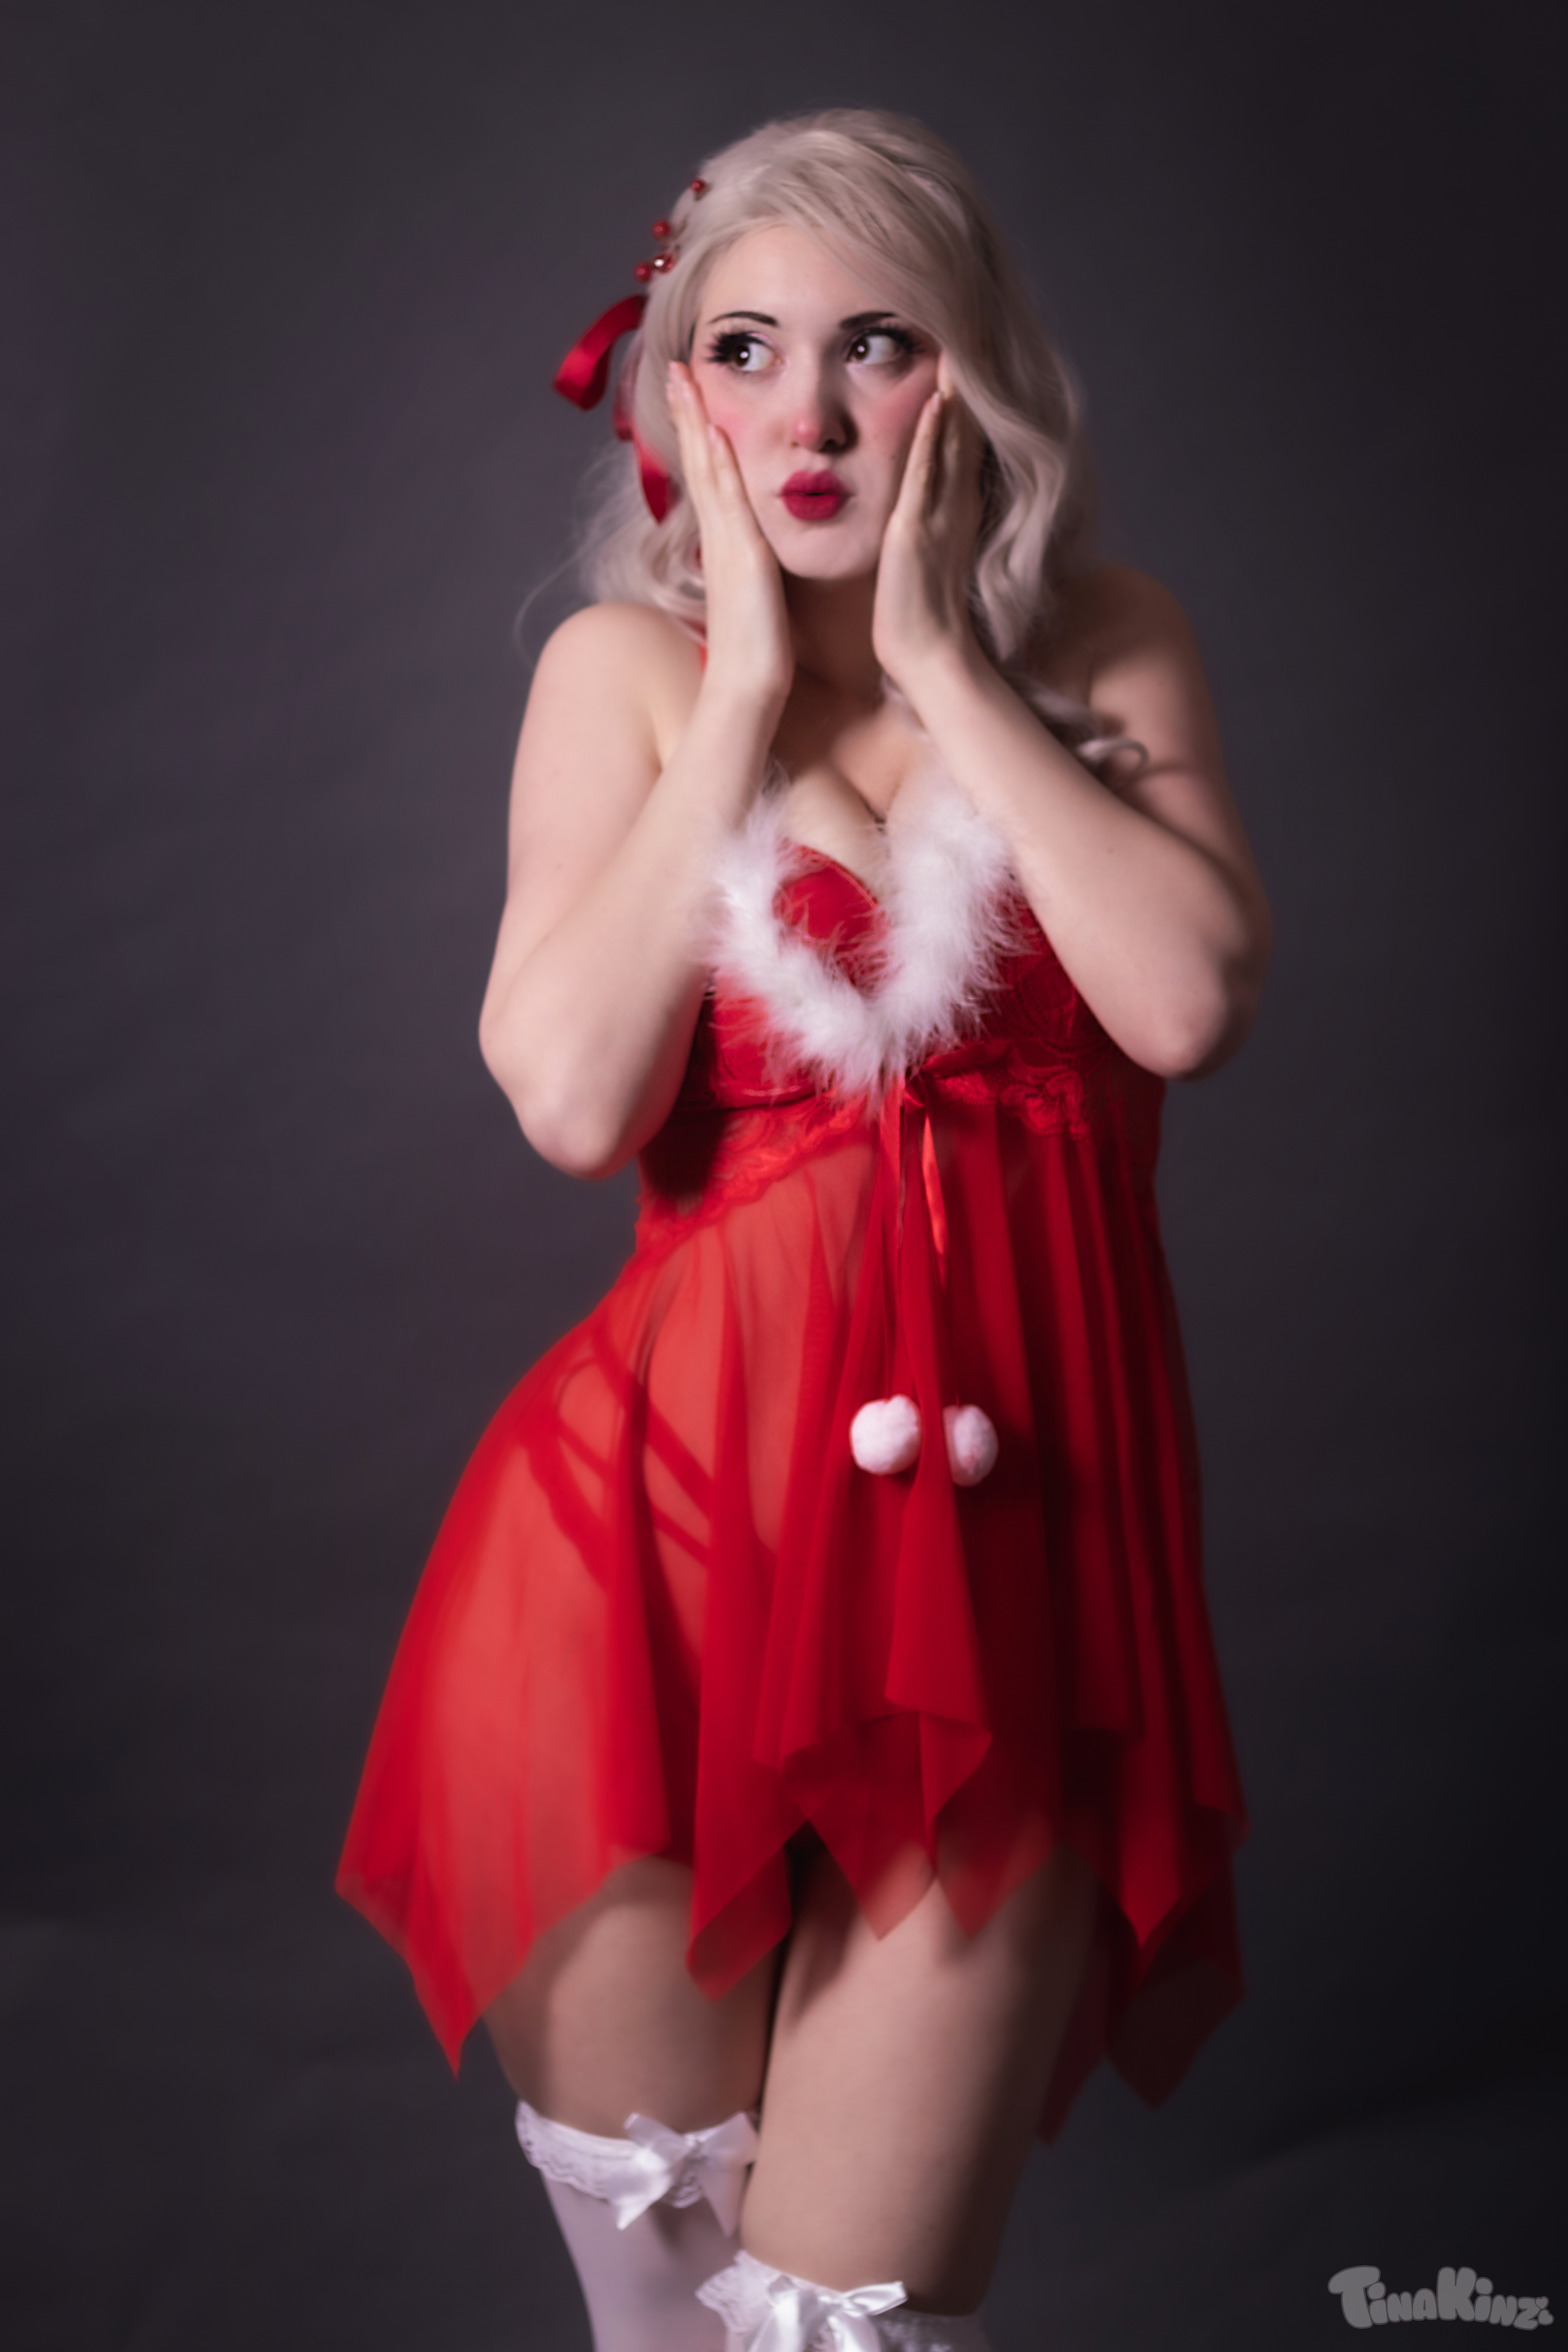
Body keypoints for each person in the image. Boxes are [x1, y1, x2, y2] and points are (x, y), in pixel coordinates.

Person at [337, 109, 1271, 2352]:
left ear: (974, 375)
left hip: (1005, 1610)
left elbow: (1182, 1001)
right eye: (748, 350)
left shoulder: (1111, 648)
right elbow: (574, 1098)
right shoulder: (624, 677)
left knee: (849, 2328)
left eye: (879, 342)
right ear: (679, 399)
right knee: (668, 2326)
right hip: (637, 1590)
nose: (815, 412)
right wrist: (748, 689)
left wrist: (943, 667)